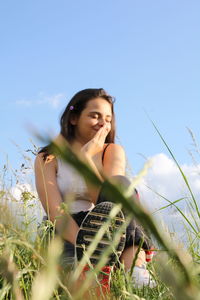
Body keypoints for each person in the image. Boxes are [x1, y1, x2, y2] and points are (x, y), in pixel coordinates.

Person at [34, 88, 156, 291]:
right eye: (94, 116)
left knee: (122, 188)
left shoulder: (112, 151)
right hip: (67, 228)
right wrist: (85, 246)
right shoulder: (48, 157)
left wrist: (87, 157)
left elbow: (107, 200)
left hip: (106, 225)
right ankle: (104, 269)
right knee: (78, 282)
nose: (102, 123)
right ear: (73, 118)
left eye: (108, 119)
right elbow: (54, 210)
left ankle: (135, 270)